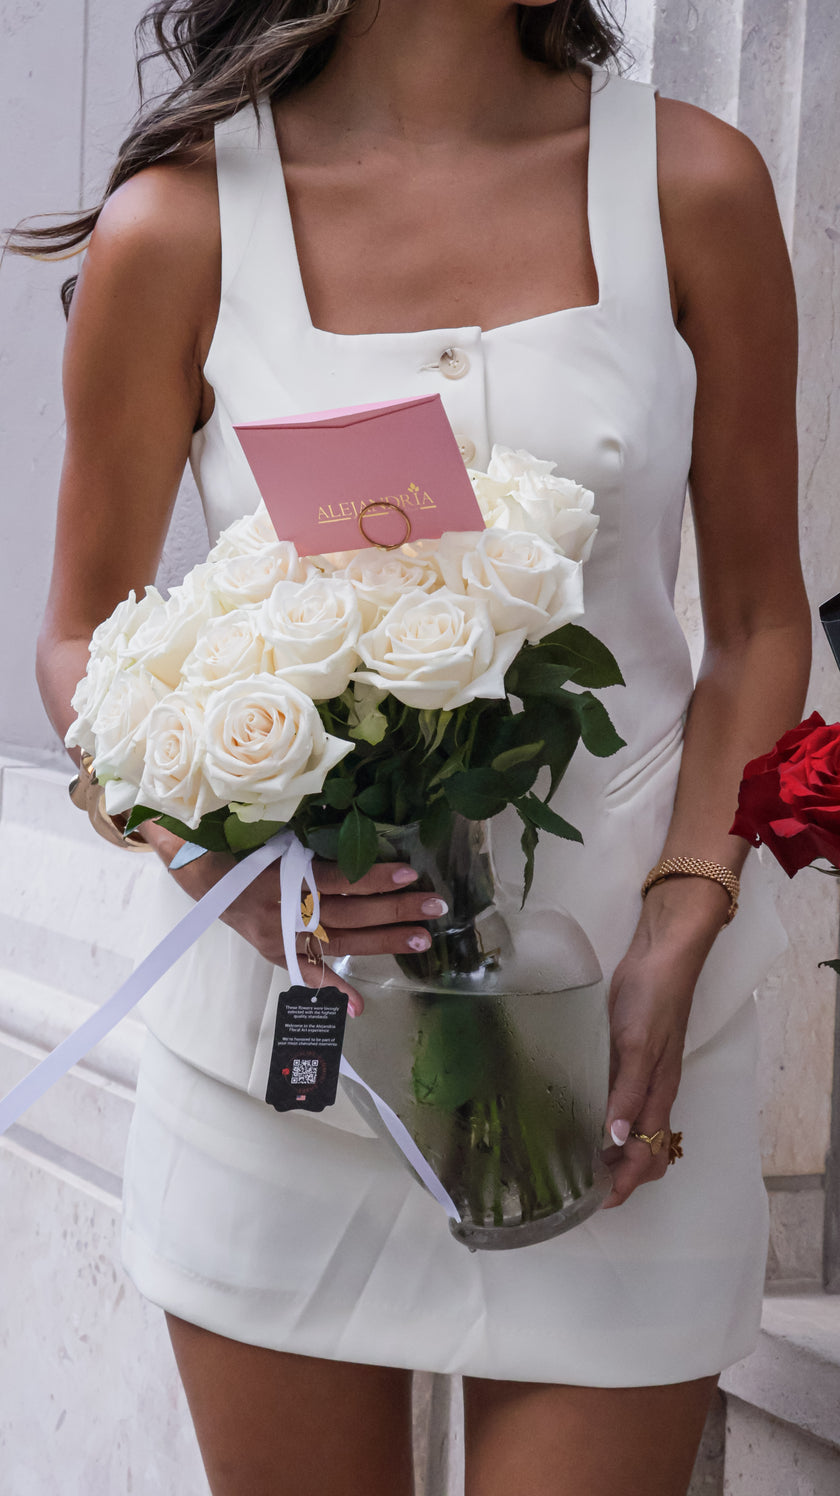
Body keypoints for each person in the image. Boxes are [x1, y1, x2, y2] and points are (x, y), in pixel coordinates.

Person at [12, 2, 810, 1492]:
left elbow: (765, 618)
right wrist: (216, 867)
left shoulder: (695, 186)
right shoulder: (178, 224)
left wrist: (682, 920)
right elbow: (82, 638)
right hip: (281, 1080)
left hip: (621, 1064)